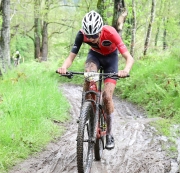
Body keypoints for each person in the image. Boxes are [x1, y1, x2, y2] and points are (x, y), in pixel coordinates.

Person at [57, 11, 134, 150]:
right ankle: (87, 109)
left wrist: (125, 70)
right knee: (89, 76)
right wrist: (63, 67)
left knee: (107, 96)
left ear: (100, 30)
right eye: (89, 36)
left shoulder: (110, 32)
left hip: (111, 59)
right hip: (95, 57)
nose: (92, 39)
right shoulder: (81, 35)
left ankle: (109, 133)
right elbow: (70, 58)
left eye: (95, 36)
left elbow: (129, 58)